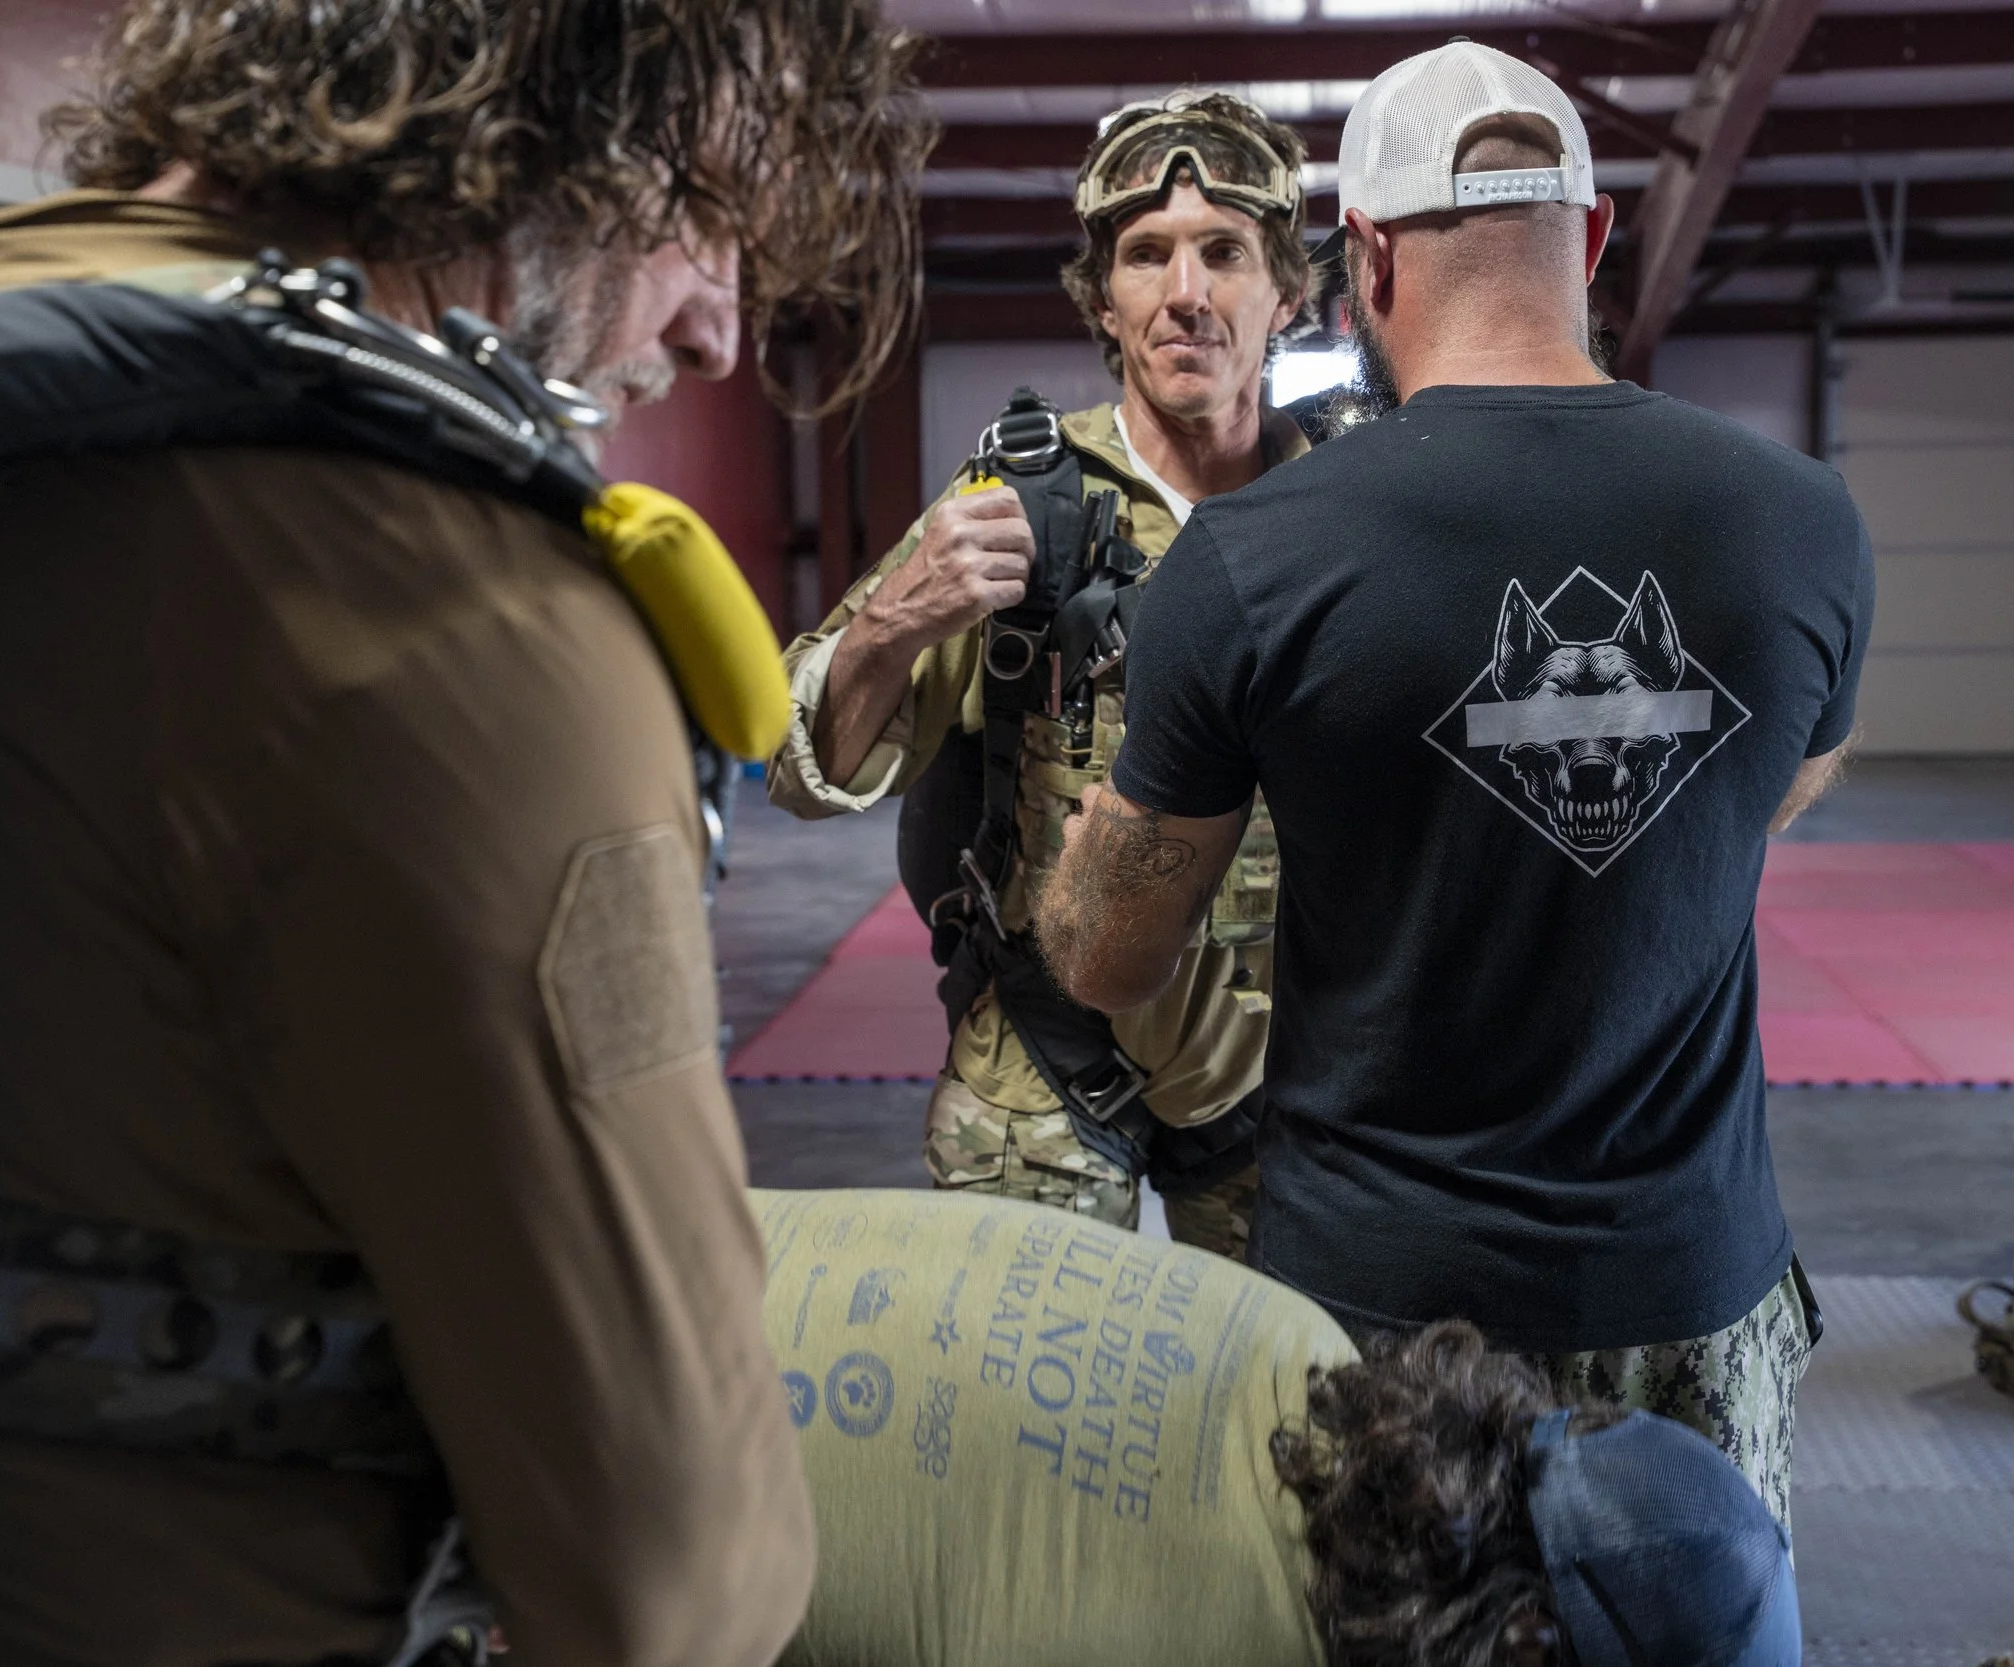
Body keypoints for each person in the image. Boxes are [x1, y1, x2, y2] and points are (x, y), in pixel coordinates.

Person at [0, 1, 926, 1662]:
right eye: (709, 210)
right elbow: (678, 1581)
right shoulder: (472, 618)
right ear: (564, 107)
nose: (720, 325)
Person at [1038, 40, 1874, 1531]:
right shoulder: (1806, 524)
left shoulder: (1248, 562)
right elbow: (1780, 788)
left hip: (1382, 1320)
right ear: (1597, 235)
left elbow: (1107, 955)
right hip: (1696, 1289)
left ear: (1363, 256)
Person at [767, 91, 1319, 1258]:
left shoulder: (1357, 512)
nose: (1185, 293)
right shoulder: (1019, 500)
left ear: (1289, 291)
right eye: (1145, 256)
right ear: (1102, 302)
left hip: (1294, 1065)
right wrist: (899, 619)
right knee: (1034, 1430)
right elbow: (800, 772)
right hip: (1046, 1052)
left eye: (1224, 252)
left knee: (1311, 1419)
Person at [755, 1185, 1800, 1667]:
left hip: (668, 1246)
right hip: (615, 1492)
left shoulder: (1305, 1350)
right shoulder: (1236, 1638)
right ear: (1521, 1646)